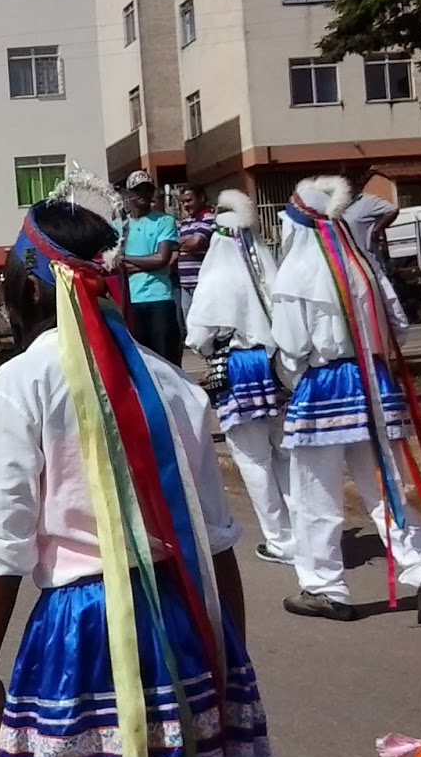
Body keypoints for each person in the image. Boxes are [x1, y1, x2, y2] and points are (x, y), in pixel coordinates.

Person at [0, 179, 269, 757]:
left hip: (82, 627)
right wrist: (229, 665)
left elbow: (1, 546)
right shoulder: (169, 382)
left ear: (31, 288)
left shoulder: (22, 383)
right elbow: (218, 544)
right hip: (179, 625)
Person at [271, 175, 421, 625]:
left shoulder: (295, 270)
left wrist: (294, 377)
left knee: (316, 494)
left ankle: (325, 587)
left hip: (325, 386)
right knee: (386, 485)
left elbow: (291, 345)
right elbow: (399, 327)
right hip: (374, 384)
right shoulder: (363, 263)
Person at [184, 189, 296, 564]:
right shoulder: (269, 272)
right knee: (285, 455)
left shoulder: (216, 277)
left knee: (253, 460)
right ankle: (305, 536)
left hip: (238, 368)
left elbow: (199, 336)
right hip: (276, 366)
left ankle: (280, 540)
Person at [119, 171, 182, 364]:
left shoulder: (164, 221)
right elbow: (115, 266)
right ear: (128, 193)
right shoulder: (119, 226)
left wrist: (126, 258)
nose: (144, 194)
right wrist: (148, 263)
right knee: (141, 361)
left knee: (166, 359)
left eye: (148, 190)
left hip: (159, 298)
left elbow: (162, 258)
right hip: (130, 301)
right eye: (138, 190)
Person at [341, 170, 398, 274]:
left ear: (355, 185)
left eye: (347, 185)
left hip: (370, 263)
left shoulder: (367, 201)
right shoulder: (338, 208)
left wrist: (377, 229)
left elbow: (392, 210)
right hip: (348, 265)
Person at [175, 185, 216, 319]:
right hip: (185, 285)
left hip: (202, 284)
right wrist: (183, 242)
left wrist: (178, 244)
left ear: (201, 198)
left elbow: (196, 243)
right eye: (183, 202)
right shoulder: (185, 223)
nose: (186, 205)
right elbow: (173, 245)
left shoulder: (209, 218)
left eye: (189, 200)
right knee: (190, 326)